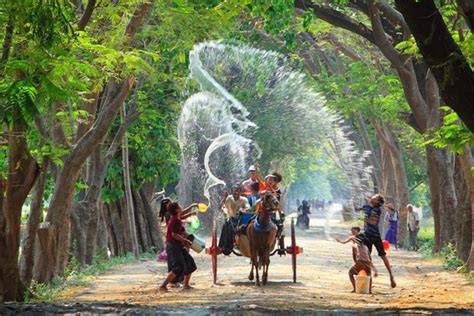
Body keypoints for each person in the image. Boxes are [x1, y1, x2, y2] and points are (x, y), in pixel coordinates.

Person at [160, 202, 197, 291]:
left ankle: (186, 285)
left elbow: (182, 214)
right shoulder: (175, 220)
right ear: (176, 209)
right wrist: (185, 240)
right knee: (177, 267)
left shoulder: (176, 217)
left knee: (190, 264)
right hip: (173, 246)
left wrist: (191, 210)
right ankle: (163, 285)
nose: (181, 207)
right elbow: (174, 235)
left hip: (178, 245)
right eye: (180, 206)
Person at [362, 194, 396, 288]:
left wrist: (365, 220)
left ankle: (391, 276)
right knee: (367, 257)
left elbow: (373, 222)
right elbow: (360, 208)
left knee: (382, 255)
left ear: (377, 202)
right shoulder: (369, 207)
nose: (372, 197)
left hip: (374, 235)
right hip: (368, 235)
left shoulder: (376, 210)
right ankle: (369, 280)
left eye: (375, 197)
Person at [337, 227, 377, 293]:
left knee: (350, 273)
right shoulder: (366, 247)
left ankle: (355, 288)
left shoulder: (355, 245)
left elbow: (355, 255)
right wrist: (375, 270)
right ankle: (369, 291)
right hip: (367, 262)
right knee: (369, 276)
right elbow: (369, 258)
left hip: (360, 262)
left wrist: (356, 263)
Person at [218, 186, 249, 254]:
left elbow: (247, 207)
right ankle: (223, 246)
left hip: (239, 218)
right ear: (232, 193)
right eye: (234, 192)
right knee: (226, 225)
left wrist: (243, 209)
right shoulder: (229, 198)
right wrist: (224, 198)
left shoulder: (244, 199)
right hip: (230, 217)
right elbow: (221, 207)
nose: (236, 193)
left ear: (240, 193)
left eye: (237, 191)